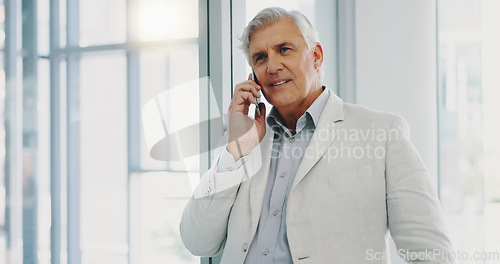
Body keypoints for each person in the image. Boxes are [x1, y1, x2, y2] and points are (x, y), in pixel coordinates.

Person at [180, 7, 453, 264]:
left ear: (317, 56)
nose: (272, 66)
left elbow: (431, 253)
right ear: (253, 75)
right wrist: (235, 152)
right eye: (260, 58)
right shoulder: (243, 139)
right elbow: (197, 241)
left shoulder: (382, 133)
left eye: (284, 49)